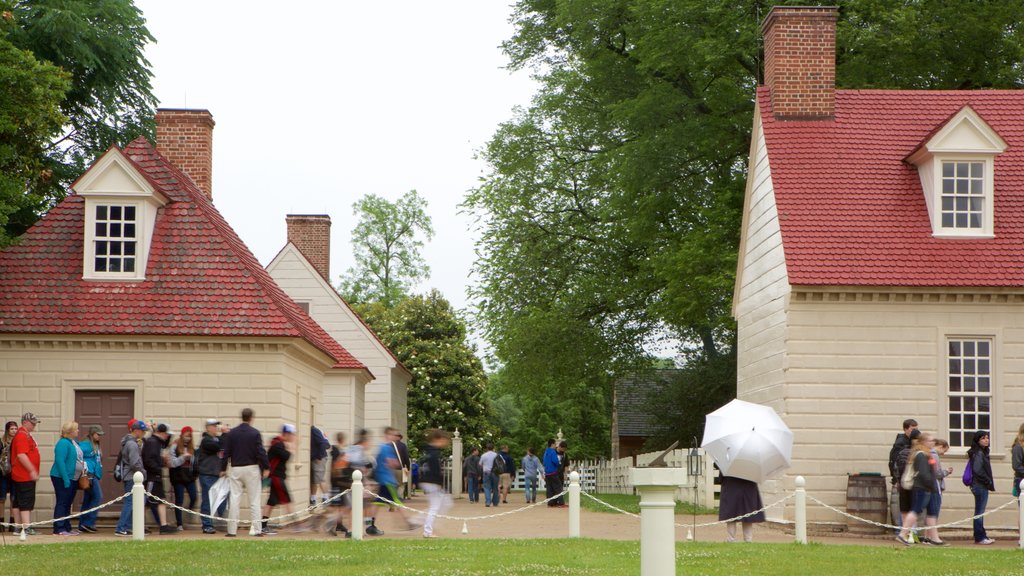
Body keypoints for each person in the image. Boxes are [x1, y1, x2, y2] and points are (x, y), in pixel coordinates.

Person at [222, 407, 270, 538]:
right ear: (251, 418)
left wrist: (222, 468)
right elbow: (260, 452)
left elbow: (226, 453)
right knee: (254, 500)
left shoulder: (232, 433)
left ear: (241, 417)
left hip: (236, 467)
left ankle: (232, 530)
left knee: (234, 499)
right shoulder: (255, 433)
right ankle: (257, 529)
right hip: (252, 468)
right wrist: (266, 467)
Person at [896, 432, 939, 546]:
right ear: (924, 442)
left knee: (932, 513)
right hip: (922, 487)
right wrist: (931, 485)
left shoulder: (926, 454)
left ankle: (935, 538)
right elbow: (923, 473)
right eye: (930, 440)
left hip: (927, 487)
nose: (933, 442)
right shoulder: (921, 455)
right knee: (916, 510)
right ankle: (902, 534)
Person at [374, 427, 419, 530]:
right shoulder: (387, 448)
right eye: (393, 435)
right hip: (387, 480)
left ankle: (369, 523)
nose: (394, 437)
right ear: (387, 435)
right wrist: (397, 463)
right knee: (397, 501)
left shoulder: (381, 447)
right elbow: (391, 462)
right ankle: (409, 522)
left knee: (377, 502)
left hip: (382, 478)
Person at [50, 420, 84, 536]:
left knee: (68, 503)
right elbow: (60, 461)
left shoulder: (72, 442)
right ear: (70, 432)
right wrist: (65, 479)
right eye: (76, 429)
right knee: (62, 502)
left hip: (72, 477)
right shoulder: (63, 443)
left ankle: (67, 526)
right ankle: (59, 528)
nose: (78, 431)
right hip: (62, 477)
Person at [262, 423, 296, 535]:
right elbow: (287, 456)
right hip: (276, 477)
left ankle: (263, 526)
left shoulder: (279, 443)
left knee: (271, 502)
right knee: (287, 499)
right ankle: (296, 525)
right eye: (292, 434)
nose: (293, 437)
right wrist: (291, 447)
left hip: (277, 476)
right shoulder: (278, 444)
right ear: (286, 434)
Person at [11, 413, 41, 536]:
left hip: (20, 474)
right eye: (32, 423)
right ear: (25, 422)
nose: (34, 425)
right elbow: (21, 455)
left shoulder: (24, 435)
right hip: (24, 475)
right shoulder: (22, 435)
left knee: (18, 501)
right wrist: (32, 470)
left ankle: (18, 528)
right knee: (26, 501)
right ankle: (26, 527)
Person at [115, 420, 147, 536]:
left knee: (135, 501)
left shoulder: (130, 442)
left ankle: (127, 526)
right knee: (130, 502)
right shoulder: (132, 444)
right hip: (132, 477)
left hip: (131, 476)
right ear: (136, 431)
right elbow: (134, 463)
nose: (144, 434)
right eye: (143, 431)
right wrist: (143, 472)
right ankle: (121, 527)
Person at [143, 423, 176, 534]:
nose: (167, 436)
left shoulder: (156, 442)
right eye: (166, 434)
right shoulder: (153, 442)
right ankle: (140, 525)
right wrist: (158, 468)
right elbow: (148, 460)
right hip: (152, 477)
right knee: (146, 502)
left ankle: (163, 525)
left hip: (155, 476)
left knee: (159, 500)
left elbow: (165, 444)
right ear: (161, 433)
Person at [420, 429, 452, 538]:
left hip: (430, 481)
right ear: (438, 439)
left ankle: (420, 521)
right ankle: (427, 530)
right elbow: (435, 469)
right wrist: (439, 483)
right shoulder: (433, 452)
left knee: (445, 503)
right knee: (435, 507)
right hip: (432, 482)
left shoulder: (431, 451)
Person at [887, 418, 918, 530]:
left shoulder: (908, 443)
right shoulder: (901, 443)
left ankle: (906, 531)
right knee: (904, 506)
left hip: (905, 479)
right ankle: (902, 531)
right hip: (902, 479)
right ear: (906, 429)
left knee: (906, 506)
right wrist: (896, 479)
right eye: (912, 429)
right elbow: (894, 461)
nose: (914, 432)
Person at [197, 419, 226, 534]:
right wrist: (224, 433)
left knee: (221, 498)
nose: (216, 428)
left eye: (217, 426)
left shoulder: (217, 439)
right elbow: (219, 446)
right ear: (208, 428)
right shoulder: (206, 441)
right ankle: (206, 524)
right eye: (214, 426)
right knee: (207, 500)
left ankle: (216, 520)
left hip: (216, 474)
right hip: (207, 474)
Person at [718, 474, 765, 542]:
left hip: (731, 484)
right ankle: (748, 539)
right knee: (747, 512)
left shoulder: (728, 464)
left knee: (732, 512)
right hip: (748, 484)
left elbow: (721, 477)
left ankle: (731, 539)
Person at [968, 430, 995, 545]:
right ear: (978, 440)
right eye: (983, 438)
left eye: (987, 438)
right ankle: (980, 537)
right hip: (980, 485)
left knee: (980, 511)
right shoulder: (979, 453)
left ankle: (981, 534)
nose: (986, 440)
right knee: (979, 511)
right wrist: (987, 480)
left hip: (980, 484)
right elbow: (977, 470)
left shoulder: (982, 452)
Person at [894, 428, 921, 539]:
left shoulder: (902, 452)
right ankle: (910, 534)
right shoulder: (917, 454)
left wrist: (898, 480)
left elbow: (896, 469)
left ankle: (906, 534)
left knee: (905, 510)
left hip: (903, 483)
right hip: (912, 484)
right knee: (912, 510)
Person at [169, 425, 198, 531]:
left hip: (189, 477)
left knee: (194, 497)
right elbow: (172, 463)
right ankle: (179, 524)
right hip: (178, 477)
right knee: (179, 500)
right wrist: (183, 457)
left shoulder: (192, 448)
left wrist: (195, 473)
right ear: (181, 435)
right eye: (186, 436)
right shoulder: (175, 446)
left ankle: (187, 515)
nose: (188, 438)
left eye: (189, 436)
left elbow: (194, 463)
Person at [77, 425, 104, 533]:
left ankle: (82, 523)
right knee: (98, 497)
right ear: (92, 434)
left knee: (88, 499)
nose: (100, 437)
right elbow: (78, 455)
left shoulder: (96, 445)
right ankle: (88, 522)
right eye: (98, 434)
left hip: (95, 474)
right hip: (89, 475)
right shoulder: (85, 445)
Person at [323, 432, 350, 537]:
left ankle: (339, 524)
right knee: (342, 506)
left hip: (338, 482)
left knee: (340, 505)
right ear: (342, 440)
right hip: (338, 482)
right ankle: (330, 524)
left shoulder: (338, 450)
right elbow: (337, 467)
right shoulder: (337, 451)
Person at [927, 437, 953, 545]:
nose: (943, 454)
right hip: (935, 487)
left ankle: (928, 536)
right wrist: (946, 472)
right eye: (944, 451)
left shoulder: (929, 454)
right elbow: (937, 473)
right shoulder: (934, 455)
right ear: (941, 447)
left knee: (930, 513)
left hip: (930, 486)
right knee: (934, 512)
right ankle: (932, 537)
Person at [0, 420, 18, 531]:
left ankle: (12, 522)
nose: (14, 431)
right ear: (7, 430)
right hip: (2, 473)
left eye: (15, 429)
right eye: (12, 429)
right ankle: (1, 521)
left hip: (15, 473)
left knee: (13, 498)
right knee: (1, 498)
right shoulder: (2, 442)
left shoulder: (18, 441)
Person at [310, 425, 331, 507]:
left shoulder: (314, 430)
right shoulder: (317, 430)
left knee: (319, 478)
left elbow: (323, 443)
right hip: (317, 457)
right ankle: (313, 498)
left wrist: (319, 456)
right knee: (315, 478)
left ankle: (325, 498)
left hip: (319, 458)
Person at [480, 443, 500, 507]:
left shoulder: (484, 455)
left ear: (487, 448)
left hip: (486, 473)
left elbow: (480, 464)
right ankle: (495, 502)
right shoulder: (497, 455)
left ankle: (488, 502)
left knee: (486, 487)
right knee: (495, 488)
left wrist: (485, 466)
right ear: (493, 448)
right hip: (495, 473)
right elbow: (502, 463)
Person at [543, 439, 561, 507]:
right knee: (558, 487)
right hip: (553, 472)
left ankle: (550, 503)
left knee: (549, 488)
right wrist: (558, 463)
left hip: (547, 473)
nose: (556, 445)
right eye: (555, 444)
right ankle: (560, 502)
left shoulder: (546, 451)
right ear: (552, 444)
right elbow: (555, 461)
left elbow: (544, 462)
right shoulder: (553, 451)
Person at [395, 433, 412, 499]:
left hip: (390, 469)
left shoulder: (390, 445)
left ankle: (392, 499)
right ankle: (398, 498)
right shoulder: (403, 446)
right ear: (400, 438)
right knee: (401, 485)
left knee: (393, 485)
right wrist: (407, 467)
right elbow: (406, 457)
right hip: (400, 469)